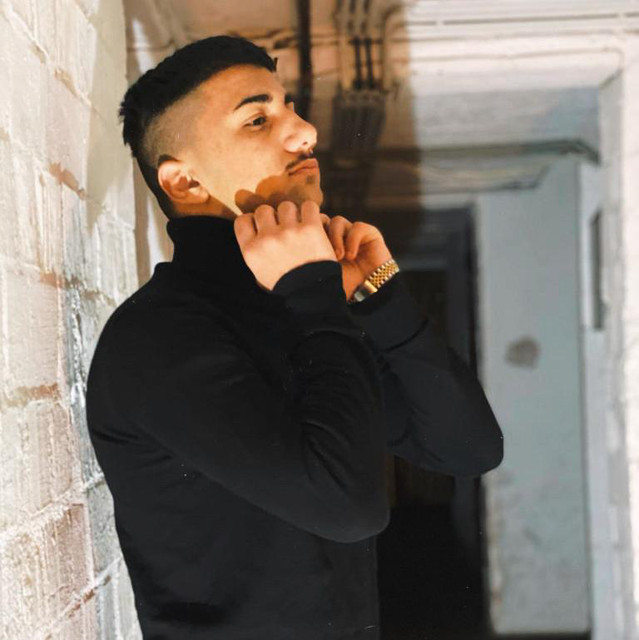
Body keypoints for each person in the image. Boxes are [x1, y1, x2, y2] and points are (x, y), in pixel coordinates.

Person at [86, 34, 503, 640]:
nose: (305, 132)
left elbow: (467, 450)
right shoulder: (160, 336)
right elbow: (348, 509)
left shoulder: (293, 312)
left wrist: (380, 300)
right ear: (185, 182)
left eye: (290, 108)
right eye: (257, 119)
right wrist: (314, 296)